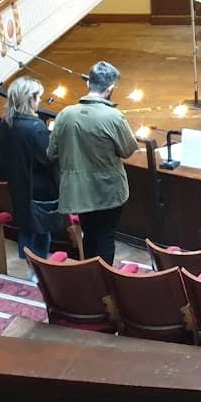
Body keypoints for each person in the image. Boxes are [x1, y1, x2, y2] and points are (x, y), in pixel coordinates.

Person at [47, 60, 138, 264]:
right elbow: (127, 150)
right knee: (106, 236)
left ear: (88, 84)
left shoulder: (65, 115)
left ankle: (90, 278)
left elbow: (51, 152)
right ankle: (105, 284)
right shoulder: (114, 117)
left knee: (88, 234)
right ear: (110, 89)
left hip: (78, 191)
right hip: (108, 191)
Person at [0, 76, 59, 266]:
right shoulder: (35, 127)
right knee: (41, 231)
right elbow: (48, 158)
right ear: (30, 99)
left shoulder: (6, 122)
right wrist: (52, 136)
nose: (40, 100)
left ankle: (27, 263)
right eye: (38, 96)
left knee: (25, 226)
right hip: (38, 189)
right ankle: (38, 270)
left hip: (18, 184)